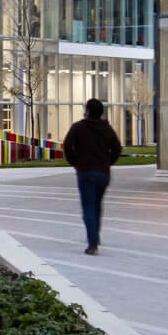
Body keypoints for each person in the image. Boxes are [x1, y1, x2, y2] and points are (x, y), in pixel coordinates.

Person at [60, 98, 124, 255]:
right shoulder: (107, 129)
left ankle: (93, 242)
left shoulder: (78, 127)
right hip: (103, 173)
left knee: (88, 206)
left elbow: (67, 146)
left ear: (87, 110)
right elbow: (117, 148)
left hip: (85, 172)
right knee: (97, 204)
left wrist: (74, 162)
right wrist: (108, 162)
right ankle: (95, 235)